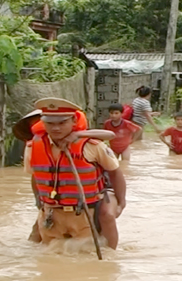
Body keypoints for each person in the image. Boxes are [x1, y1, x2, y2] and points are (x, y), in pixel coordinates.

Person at [27, 98, 126, 250]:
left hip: (87, 205)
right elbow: (36, 176)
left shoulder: (92, 145)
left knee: (106, 217)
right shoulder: (33, 147)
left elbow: (115, 173)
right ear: (43, 122)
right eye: (50, 123)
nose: (56, 128)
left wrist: (121, 202)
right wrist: (39, 201)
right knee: (40, 248)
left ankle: (112, 254)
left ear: (73, 120)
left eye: (62, 123)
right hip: (54, 207)